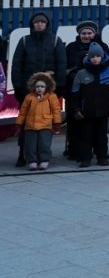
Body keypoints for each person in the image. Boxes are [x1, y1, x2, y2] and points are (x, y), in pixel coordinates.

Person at [11, 12, 66, 167]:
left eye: (42, 22)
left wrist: (59, 86)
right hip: (27, 91)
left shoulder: (56, 40)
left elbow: (62, 65)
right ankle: (23, 154)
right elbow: (17, 65)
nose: (39, 24)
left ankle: (43, 156)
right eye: (36, 22)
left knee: (45, 125)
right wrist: (18, 86)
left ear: (47, 24)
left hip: (48, 91)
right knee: (26, 124)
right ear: (32, 24)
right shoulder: (24, 41)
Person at [62, 20, 109, 160]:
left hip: (96, 89)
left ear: (95, 34)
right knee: (74, 120)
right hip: (75, 88)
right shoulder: (71, 47)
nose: (87, 36)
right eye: (84, 33)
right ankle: (74, 149)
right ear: (79, 34)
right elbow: (64, 65)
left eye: (89, 33)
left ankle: (97, 150)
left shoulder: (101, 46)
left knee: (96, 123)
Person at [70, 42, 109, 167]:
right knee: (85, 136)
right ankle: (85, 158)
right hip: (86, 112)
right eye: (92, 56)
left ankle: (102, 157)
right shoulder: (80, 74)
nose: (95, 59)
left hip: (104, 111)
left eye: (98, 56)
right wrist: (76, 110)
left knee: (102, 136)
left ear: (102, 56)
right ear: (88, 58)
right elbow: (75, 94)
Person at [16, 71, 60, 170]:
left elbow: (56, 110)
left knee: (44, 144)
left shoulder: (51, 97)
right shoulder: (29, 97)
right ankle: (32, 161)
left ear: (47, 87)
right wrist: (19, 123)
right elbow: (23, 111)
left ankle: (44, 160)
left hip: (45, 125)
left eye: (42, 87)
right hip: (30, 125)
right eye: (37, 86)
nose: (39, 89)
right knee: (30, 145)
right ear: (34, 87)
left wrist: (57, 122)